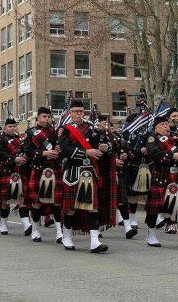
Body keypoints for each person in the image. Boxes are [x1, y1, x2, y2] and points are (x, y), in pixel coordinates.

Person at [58, 100, 114, 253]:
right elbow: (65, 150)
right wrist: (85, 152)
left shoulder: (91, 128)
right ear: (70, 113)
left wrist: (104, 147)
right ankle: (67, 237)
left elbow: (101, 147)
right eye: (76, 111)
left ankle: (95, 241)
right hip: (73, 172)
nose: (79, 114)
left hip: (90, 171)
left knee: (93, 207)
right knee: (71, 208)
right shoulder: (65, 129)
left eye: (81, 111)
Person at [144, 114, 178, 249]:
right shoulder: (153, 139)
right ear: (156, 128)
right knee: (154, 209)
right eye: (162, 125)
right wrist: (172, 155)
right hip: (161, 177)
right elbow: (153, 153)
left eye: (167, 124)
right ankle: (151, 235)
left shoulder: (176, 139)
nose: (166, 127)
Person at [23, 106, 63, 244]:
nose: (46, 119)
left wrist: (59, 149)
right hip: (39, 169)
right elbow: (28, 152)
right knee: (37, 202)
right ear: (38, 118)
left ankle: (59, 232)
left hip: (55, 168)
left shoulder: (56, 132)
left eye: (48, 117)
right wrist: (44, 153)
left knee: (57, 201)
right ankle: (35, 230)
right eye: (44, 117)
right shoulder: (30, 133)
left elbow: (63, 150)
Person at [0, 117, 27, 235]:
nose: (12, 128)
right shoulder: (1, 139)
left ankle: (26, 224)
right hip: (7, 171)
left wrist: (23, 158)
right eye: (10, 127)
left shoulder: (20, 139)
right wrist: (14, 159)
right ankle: (3, 222)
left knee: (22, 198)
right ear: (5, 128)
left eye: (14, 126)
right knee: (6, 201)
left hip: (20, 171)